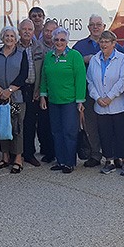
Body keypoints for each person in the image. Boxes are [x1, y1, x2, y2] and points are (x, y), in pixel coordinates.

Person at [39, 27, 85, 174]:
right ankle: (60, 161)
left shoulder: (74, 56)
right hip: (53, 101)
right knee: (56, 132)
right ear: (53, 40)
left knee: (69, 132)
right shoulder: (49, 56)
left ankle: (69, 162)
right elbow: (44, 77)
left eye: (62, 40)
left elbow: (80, 79)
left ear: (67, 41)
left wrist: (80, 101)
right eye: (57, 39)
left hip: (69, 101)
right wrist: (43, 95)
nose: (59, 42)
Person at [87, 30, 124, 176]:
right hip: (100, 105)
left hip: (119, 105)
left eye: (107, 41)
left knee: (122, 133)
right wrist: (97, 97)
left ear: (114, 43)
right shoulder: (94, 59)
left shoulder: (122, 59)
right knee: (105, 134)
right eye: (101, 41)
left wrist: (109, 97)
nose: (103, 44)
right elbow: (90, 81)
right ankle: (109, 161)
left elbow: (122, 81)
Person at [0, 26, 29, 174]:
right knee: (2, 126)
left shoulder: (21, 53)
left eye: (12, 36)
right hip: (0, 98)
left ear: (16, 38)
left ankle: (18, 159)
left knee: (17, 127)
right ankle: (5, 157)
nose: (9, 38)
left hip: (16, 97)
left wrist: (9, 90)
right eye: (7, 36)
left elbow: (23, 75)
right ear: (2, 37)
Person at [71, 14, 106, 167]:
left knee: (109, 125)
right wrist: (83, 59)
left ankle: (112, 154)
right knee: (91, 124)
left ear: (104, 27)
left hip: (108, 94)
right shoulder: (79, 46)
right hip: (87, 92)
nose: (95, 27)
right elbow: (70, 66)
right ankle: (95, 154)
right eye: (92, 24)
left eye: (98, 24)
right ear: (88, 27)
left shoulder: (113, 44)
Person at [18, 18, 48, 164]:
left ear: (33, 31)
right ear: (19, 31)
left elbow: (44, 71)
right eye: (24, 29)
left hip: (33, 90)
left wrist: (39, 90)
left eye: (30, 29)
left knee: (30, 123)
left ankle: (29, 153)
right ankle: (16, 153)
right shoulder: (14, 47)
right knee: (17, 123)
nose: (27, 32)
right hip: (18, 89)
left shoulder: (39, 47)